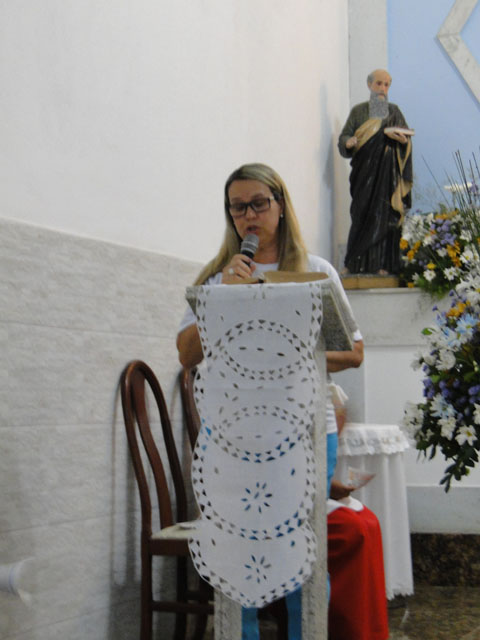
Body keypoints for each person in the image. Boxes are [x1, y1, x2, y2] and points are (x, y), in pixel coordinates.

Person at [176, 162, 364, 639]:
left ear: (280, 206)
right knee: (235, 554)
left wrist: (288, 351)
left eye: (258, 204)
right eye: (238, 208)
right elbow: (186, 353)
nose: (249, 216)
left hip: (304, 431)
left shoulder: (314, 272)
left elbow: (354, 352)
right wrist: (225, 298)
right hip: (233, 437)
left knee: (302, 552)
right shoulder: (219, 277)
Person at [338, 69, 413, 275]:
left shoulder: (394, 111)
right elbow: (344, 137)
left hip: (388, 177)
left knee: (385, 216)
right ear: (369, 85)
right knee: (360, 213)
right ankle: (353, 263)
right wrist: (349, 142)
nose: (382, 88)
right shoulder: (359, 111)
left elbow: (406, 139)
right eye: (379, 83)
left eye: (386, 84)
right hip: (364, 174)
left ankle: (384, 265)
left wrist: (403, 141)